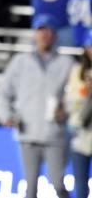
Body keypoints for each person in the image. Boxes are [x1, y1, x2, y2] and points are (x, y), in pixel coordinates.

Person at [0, 15, 74, 198]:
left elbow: (76, 97)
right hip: (28, 132)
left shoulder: (67, 63)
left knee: (58, 183)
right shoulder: (21, 62)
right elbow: (4, 91)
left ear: (55, 34)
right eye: (41, 30)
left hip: (54, 134)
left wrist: (66, 112)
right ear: (35, 33)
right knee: (30, 187)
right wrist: (6, 114)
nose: (45, 34)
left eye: (49, 30)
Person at [66, 30, 92, 198]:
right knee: (81, 185)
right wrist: (86, 92)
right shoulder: (77, 71)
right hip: (80, 131)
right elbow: (71, 100)